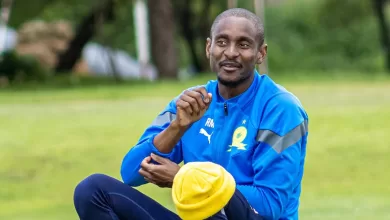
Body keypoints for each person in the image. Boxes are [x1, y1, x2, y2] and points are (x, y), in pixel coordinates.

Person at [73, 7, 309, 220]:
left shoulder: (280, 109)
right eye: (222, 42)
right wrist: (177, 127)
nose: (231, 52)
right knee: (92, 190)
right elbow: (131, 173)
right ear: (209, 48)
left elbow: (268, 204)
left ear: (261, 53)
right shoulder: (191, 101)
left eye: (244, 44)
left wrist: (182, 177)